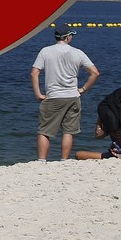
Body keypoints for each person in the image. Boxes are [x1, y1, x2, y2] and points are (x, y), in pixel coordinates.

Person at [30, 28, 99, 160]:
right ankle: (64, 160)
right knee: (68, 131)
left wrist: (38, 94)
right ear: (67, 37)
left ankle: (41, 160)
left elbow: (34, 73)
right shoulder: (78, 53)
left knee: (44, 131)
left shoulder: (45, 51)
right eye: (71, 35)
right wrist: (83, 89)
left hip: (53, 96)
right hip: (73, 96)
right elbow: (95, 73)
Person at [74, 86, 121, 159]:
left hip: (118, 154)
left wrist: (99, 120)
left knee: (78, 154)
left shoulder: (114, 122)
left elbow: (98, 135)